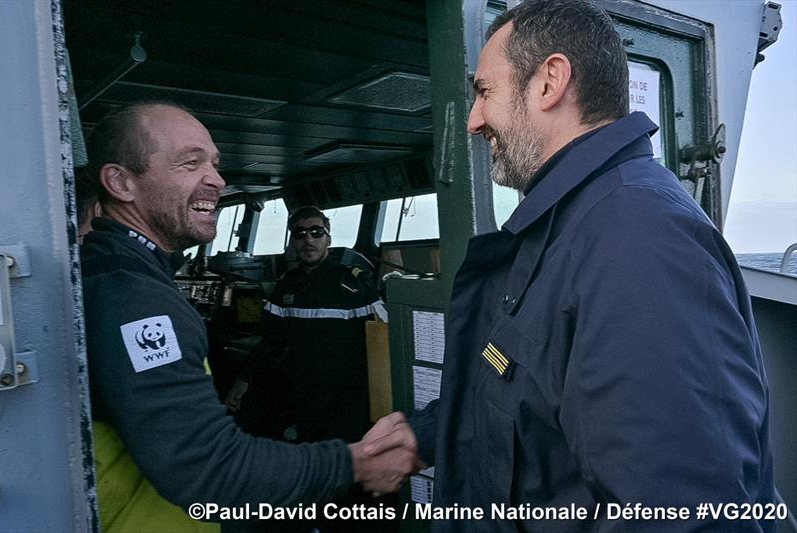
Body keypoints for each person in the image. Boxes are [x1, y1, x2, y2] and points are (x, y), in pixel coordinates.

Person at [369, 1, 774, 531]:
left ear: (549, 82)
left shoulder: (637, 240)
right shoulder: (567, 226)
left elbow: (683, 516)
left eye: (484, 92)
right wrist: (429, 434)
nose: (472, 120)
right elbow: (531, 394)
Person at [80, 101, 420, 532]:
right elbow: (207, 466)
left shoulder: (111, 275)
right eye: (190, 162)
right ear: (120, 182)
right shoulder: (133, 297)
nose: (217, 180)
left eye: (216, 165)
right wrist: (352, 464)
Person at [226, 205, 393, 532]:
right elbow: (270, 343)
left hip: (347, 403)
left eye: (316, 232)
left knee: (349, 481)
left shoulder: (354, 285)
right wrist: (242, 383)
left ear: (328, 237)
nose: (308, 240)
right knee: (312, 477)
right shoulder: (286, 287)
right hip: (302, 401)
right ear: (292, 241)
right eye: (300, 233)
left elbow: (382, 344)